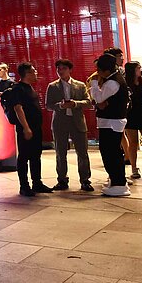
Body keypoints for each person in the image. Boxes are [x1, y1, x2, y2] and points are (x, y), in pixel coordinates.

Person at [44, 59, 92, 192]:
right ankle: (62, 180)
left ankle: (85, 180)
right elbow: (48, 105)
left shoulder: (80, 85)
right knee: (60, 153)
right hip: (60, 122)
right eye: (58, 69)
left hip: (77, 122)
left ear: (70, 70)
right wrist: (60, 105)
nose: (60, 71)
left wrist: (75, 104)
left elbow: (88, 102)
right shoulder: (52, 86)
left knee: (82, 152)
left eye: (63, 68)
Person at [6, 63, 50, 197]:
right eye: (34, 71)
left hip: (36, 127)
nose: (36, 73)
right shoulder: (18, 89)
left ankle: (37, 183)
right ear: (28, 73)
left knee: (36, 156)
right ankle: (24, 186)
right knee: (24, 157)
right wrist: (26, 127)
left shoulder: (30, 88)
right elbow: (18, 108)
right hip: (26, 128)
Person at [90, 54, 131, 197]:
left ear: (106, 70)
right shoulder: (113, 80)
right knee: (112, 152)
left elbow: (98, 98)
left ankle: (119, 183)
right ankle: (116, 180)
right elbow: (100, 102)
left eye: (99, 69)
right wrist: (100, 103)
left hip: (111, 122)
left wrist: (94, 84)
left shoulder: (113, 82)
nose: (97, 72)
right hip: (111, 121)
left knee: (111, 153)